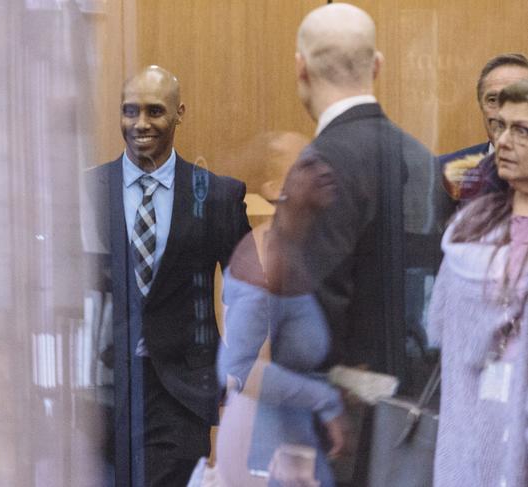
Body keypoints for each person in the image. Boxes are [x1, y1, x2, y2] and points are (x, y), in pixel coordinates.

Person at [83, 65, 251, 487]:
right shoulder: (85, 191)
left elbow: (250, 289)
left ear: (179, 113)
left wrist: (237, 366)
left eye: (155, 111)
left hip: (181, 391)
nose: (140, 124)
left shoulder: (215, 195)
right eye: (130, 111)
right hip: (102, 391)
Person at [288, 3, 446, 378]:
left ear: (301, 67)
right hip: (413, 401)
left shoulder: (316, 166)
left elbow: (309, 315)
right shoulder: (423, 158)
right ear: (377, 65)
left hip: (340, 412)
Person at [216, 146, 347, 487]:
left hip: (287, 439)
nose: (323, 170)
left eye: (322, 158)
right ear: (277, 188)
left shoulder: (294, 250)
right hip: (262, 448)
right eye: (306, 164)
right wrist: (325, 400)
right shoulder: (268, 258)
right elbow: (238, 369)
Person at [427, 80, 528, 486]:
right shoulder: (469, 225)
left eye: (521, 130)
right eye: (500, 126)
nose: (503, 141)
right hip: (475, 434)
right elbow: (440, 327)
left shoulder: (469, 227)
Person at [441, 53, 528, 202]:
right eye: (493, 99)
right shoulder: (443, 173)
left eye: (516, 99)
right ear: (481, 106)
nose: (503, 110)